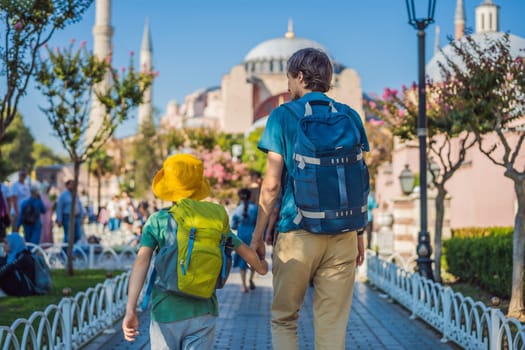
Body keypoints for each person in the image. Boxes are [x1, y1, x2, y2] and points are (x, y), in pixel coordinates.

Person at [250, 48, 368, 350]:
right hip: (343, 233)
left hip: (297, 231)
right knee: (331, 323)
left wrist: (258, 234)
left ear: (300, 76)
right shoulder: (350, 116)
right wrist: (359, 233)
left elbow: (272, 185)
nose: (288, 86)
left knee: (285, 318)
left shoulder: (282, 116)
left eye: (290, 78)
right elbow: (359, 178)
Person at [122, 154, 268, 348]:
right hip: (204, 310)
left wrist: (130, 310)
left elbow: (142, 261)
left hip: (166, 312)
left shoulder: (157, 221)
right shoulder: (213, 221)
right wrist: (262, 267)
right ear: (199, 186)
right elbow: (247, 253)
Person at [231, 188, 258, 293]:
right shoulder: (256, 209)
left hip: (241, 236)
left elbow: (233, 225)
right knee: (253, 259)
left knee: (242, 261)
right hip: (253, 236)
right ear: (250, 196)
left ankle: (243, 285)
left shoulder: (237, 209)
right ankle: (251, 279)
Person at [56, 180, 85, 245]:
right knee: (68, 236)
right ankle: (65, 251)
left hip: (77, 217)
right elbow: (59, 208)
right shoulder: (63, 195)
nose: (73, 186)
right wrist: (59, 219)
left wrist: (82, 217)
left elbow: (79, 205)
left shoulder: (75, 195)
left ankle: (71, 249)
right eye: (71, 184)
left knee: (78, 235)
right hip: (67, 217)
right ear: (67, 185)